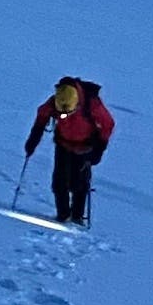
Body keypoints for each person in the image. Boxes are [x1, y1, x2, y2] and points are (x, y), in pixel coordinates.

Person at [24, 77, 115, 226]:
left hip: (85, 147)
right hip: (63, 144)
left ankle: (77, 217)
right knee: (59, 182)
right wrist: (33, 141)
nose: (65, 116)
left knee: (79, 183)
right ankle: (63, 215)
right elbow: (42, 117)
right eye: (62, 114)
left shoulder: (91, 104)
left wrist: (99, 150)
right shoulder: (56, 101)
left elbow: (108, 124)